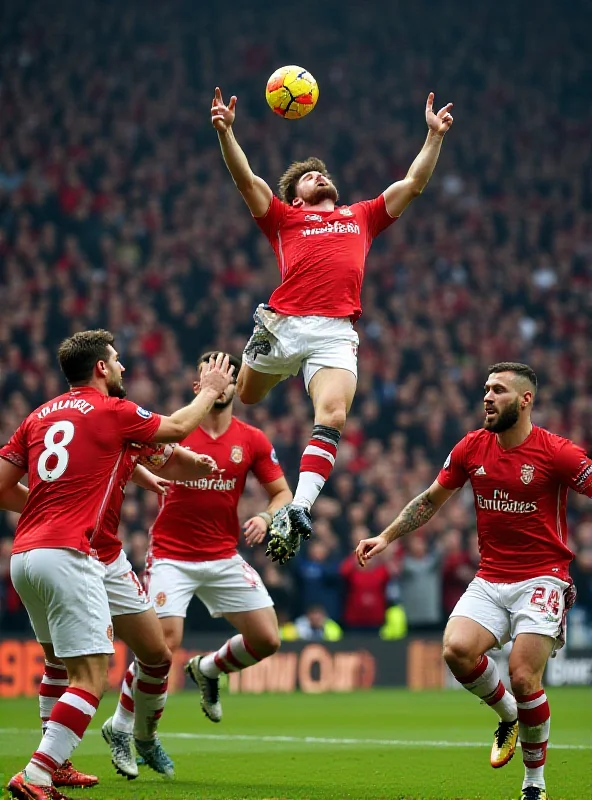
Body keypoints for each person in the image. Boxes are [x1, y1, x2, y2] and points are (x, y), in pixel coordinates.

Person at [210, 86, 453, 563]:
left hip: (336, 331)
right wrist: (226, 133)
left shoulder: (360, 216)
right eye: (307, 178)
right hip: (282, 325)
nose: (317, 176)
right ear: (296, 200)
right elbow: (247, 180)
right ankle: (261, 371)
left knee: (334, 415)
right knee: (248, 394)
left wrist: (433, 137)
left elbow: (411, 185)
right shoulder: (282, 219)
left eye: (321, 173)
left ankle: (299, 507)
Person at [0, 330, 234, 800]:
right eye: (118, 359)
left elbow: (2, 486)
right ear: (101, 368)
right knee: (92, 675)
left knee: (92, 660)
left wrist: (46, 516)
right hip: (73, 554)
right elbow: (172, 431)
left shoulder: (39, 416)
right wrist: (210, 391)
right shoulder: (114, 412)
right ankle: (39, 773)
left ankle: (58, 761)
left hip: (34, 554)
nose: (124, 366)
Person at [355, 362, 592, 800]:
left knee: (524, 678)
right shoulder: (470, 447)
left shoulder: (555, 452)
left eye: (498, 390)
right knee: (456, 651)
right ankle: (508, 716)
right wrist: (386, 536)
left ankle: (534, 784)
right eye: (485, 388)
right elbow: (430, 500)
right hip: (491, 577)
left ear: (525, 401)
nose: (487, 396)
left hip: (542, 576)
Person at [103, 350, 292, 778]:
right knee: (163, 646)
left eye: (229, 375)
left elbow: (282, 493)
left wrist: (264, 515)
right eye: (212, 374)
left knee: (267, 639)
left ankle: (208, 669)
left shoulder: (253, 440)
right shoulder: (175, 428)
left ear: (236, 387)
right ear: (198, 387)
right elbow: (127, 455)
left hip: (223, 555)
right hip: (171, 555)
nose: (222, 382)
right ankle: (129, 730)